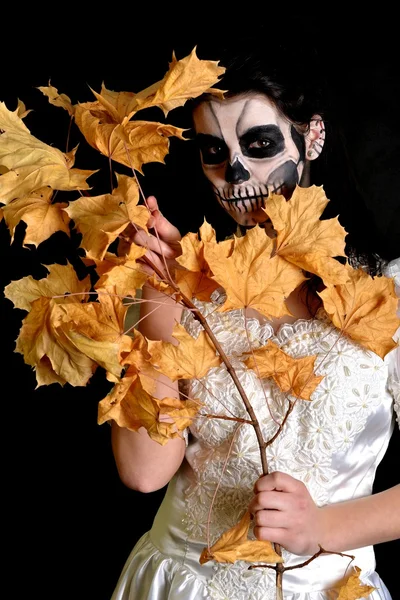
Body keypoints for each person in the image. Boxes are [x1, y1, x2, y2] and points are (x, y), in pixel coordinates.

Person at [108, 27, 400, 600]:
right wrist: (154, 296)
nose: (235, 176)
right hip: (181, 584)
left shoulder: (385, 294)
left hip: (324, 587)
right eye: (215, 153)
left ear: (311, 135)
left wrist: (323, 528)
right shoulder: (186, 282)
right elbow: (144, 473)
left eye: (260, 145)